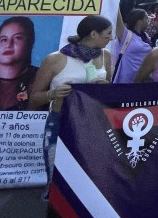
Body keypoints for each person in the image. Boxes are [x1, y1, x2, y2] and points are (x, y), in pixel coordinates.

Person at [29, 16, 113, 190]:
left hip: (95, 123)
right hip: (62, 122)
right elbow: (34, 98)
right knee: (55, 176)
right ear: (93, 34)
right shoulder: (55, 59)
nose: (111, 38)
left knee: (89, 176)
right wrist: (53, 93)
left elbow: (109, 90)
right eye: (108, 34)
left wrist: (104, 88)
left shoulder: (106, 55)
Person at [111, 8, 152, 83]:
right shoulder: (125, 35)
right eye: (146, 18)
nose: (148, 21)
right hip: (125, 81)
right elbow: (117, 15)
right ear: (140, 21)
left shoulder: (146, 36)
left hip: (142, 80)